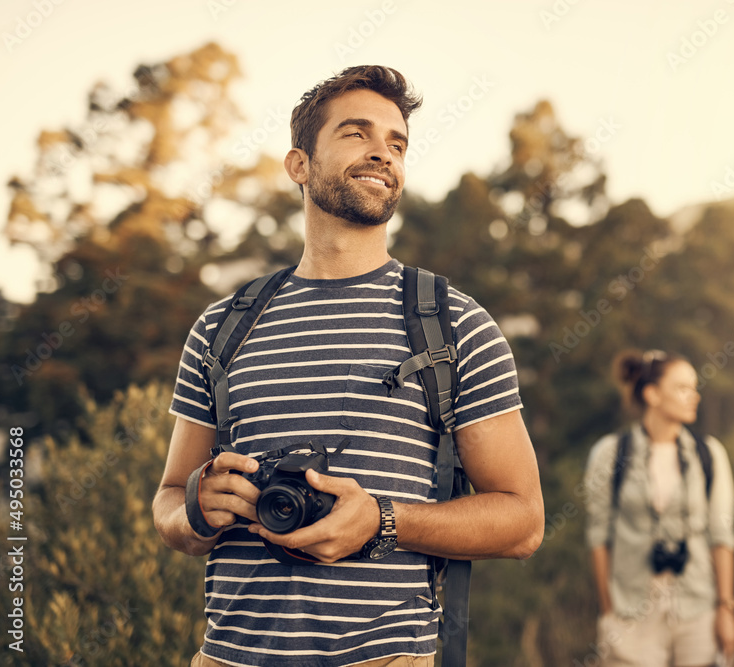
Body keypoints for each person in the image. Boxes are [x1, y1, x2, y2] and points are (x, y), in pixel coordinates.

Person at [152, 65, 544, 667]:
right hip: (228, 656)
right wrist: (200, 509)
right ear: (299, 165)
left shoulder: (454, 323)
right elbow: (169, 504)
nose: (383, 153)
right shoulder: (222, 326)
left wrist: (382, 521)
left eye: (397, 143)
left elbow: (523, 522)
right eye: (356, 134)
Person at [582, 349, 734, 666]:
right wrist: (609, 612)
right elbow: (599, 538)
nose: (693, 397)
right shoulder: (610, 454)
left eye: (694, 388)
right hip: (631, 611)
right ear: (652, 394)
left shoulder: (709, 454)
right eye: (682, 388)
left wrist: (725, 609)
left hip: (697, 608)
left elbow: (721, 536)